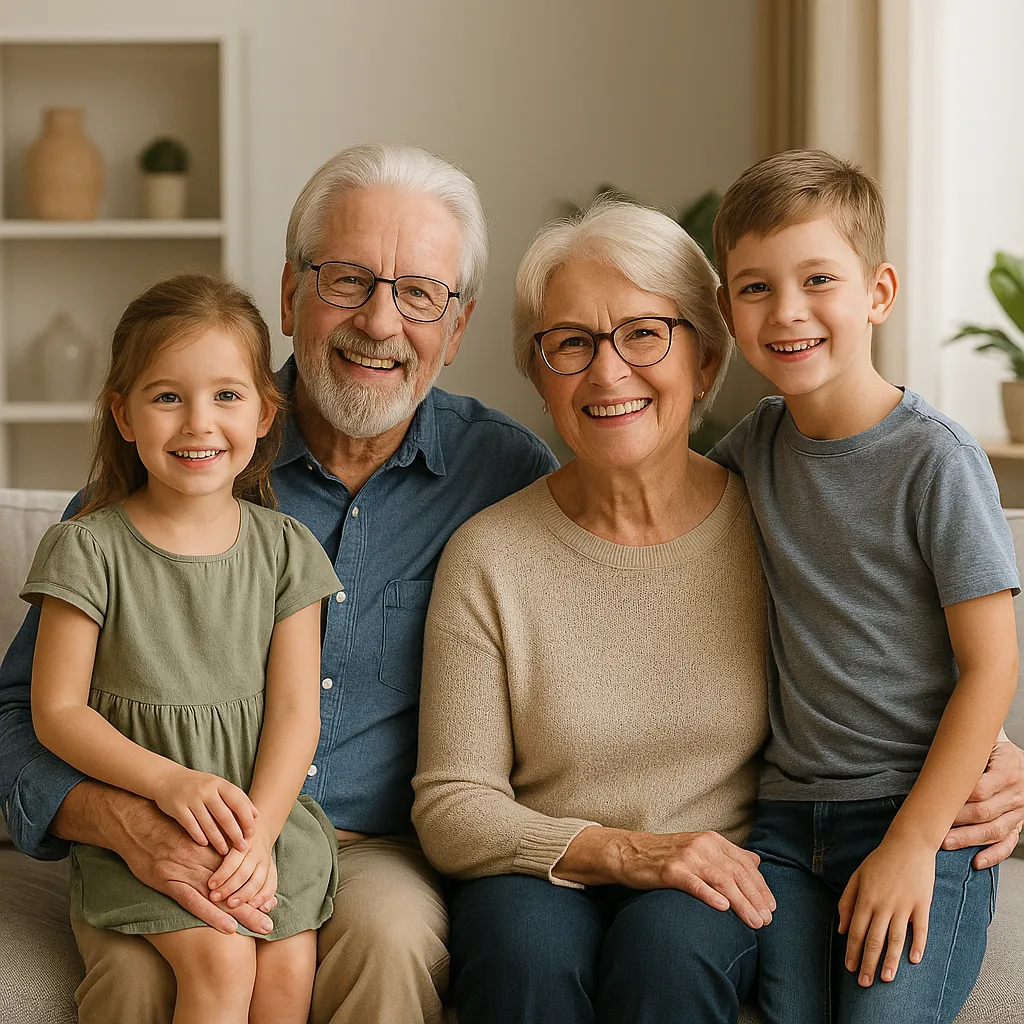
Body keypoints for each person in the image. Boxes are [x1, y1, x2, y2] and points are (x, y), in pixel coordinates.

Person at [411, 198, 1024, 1024]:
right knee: (524, 951)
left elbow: (895, 638)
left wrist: (996, 752)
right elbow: (451, 804)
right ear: (538, 371)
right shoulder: (488, 553)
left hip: (722, 865)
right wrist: (622, 853)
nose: (607, 372)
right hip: (546, 866)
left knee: (671, 950)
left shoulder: (770, 508)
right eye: (570, 343)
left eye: (644, 332)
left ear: (705, 363)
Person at [0, 143, 557, 1024]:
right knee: (141, 979)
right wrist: (125, 821)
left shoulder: (507, 475)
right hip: (165, 818)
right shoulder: (163, 481)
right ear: (292, 294)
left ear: (456, 326)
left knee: (389, 942)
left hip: (379, 848)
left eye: (418, 292)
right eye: (348, 279)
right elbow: (19, 714)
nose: (379, 321)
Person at [709, 149, 1020, 1024]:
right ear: (728, 308)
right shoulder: (751, 449)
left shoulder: (937, 460)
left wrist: (914, 843)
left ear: (879, 293)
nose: (788, 311)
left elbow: (991, 669)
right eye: (755, 288)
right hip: (780, 822)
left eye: (818, 279)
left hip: (917, 813)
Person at [24, 273, 341, 1024]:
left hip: (261, 822)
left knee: (288, 959)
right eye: (167, 396)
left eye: (226, 396)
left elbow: (298, 712)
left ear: (266, 413)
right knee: (221, 955)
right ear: (123, 415)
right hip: (151, 820)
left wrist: (259, 838)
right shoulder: (87, 548)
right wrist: (167, 785)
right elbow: (57, 711)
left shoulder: (287, 549)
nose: (198, 422)